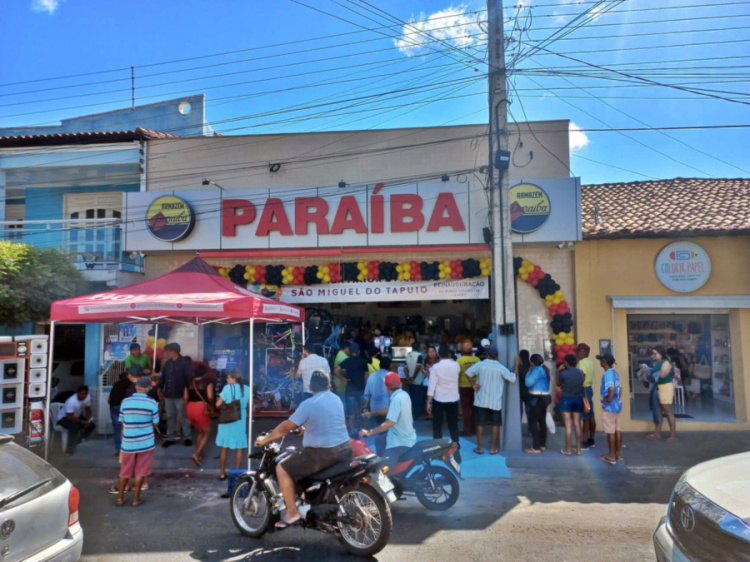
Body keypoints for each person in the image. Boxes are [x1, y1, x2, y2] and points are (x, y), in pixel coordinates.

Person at [255, 370, 352, 530]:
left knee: (282, 467)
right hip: (345, 448)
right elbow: (327, 422)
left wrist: (265, 439)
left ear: (310, 386)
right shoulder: (336, 399)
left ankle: (292, 512)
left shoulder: (309, 404)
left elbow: (286, 426)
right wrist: (306, 428)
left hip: (323, 454)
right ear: (329, 385)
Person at [115, 376, 159, 507]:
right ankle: (136, 499)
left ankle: (120, 498)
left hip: (128, 442)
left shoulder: (125, 402)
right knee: (140, 471)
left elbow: (122, 421)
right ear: (147, 388)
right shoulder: (152, 403)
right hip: (146, 443)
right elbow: (155, 423)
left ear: (136, 386)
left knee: (124, 470)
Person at [466, 345, 516, 455]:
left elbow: (468, 373)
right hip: (495, 402)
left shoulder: (480, 365)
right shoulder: (501, 368)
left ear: (487, 355)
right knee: (495, 424)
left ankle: (480, 448)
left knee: (480, 424)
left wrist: (473, 384)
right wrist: (516, 365)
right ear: (497, 356)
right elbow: (512, 379)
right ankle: (493, 448)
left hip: (481, 400)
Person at [360, 371, 417, 465]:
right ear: (401, 384)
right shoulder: (403, 395)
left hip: (400, 442)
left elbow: (389, 423)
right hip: (406, 435)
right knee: (379, 440)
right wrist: (372, 413)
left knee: (384, 471)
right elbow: (390, 409)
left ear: (386, 387)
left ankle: (387, 473)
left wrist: (369, 432)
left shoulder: (396, 399)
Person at [426, 345, 461, 463]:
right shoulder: (456, 365)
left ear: (438, 355)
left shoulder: (435, 368)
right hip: (453, 399)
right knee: (453, 426)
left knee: (437, 426)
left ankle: (438, 451)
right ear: (449, 354)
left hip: (439, 399)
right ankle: (456, 451)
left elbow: (432, 386)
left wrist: (428, 401)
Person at [215, 371, 251, 480]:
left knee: (224, 448)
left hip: (227, 419)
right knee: (239, 448)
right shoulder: (247, 388)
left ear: (234, 378)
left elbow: (218, 404)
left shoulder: (227, 388)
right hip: (240, 418)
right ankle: (236, 474)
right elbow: (250, 404)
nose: (227, 380)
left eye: (228, 378)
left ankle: (222, 473)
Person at [158, 342, 194, 448]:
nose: (165, 353)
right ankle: (170, 438)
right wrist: (160, 388)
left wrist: (187, 392)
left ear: (173, 351)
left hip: (181, 395)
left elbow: (190, 379)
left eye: (167, 351)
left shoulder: (185, 362)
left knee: (184, 417)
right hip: (169, 394)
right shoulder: (168, 363)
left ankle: (187, 437)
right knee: (170, 417)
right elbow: (163, 377)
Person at [184, 365, 215, 466]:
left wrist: (185, 408)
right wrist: (212, 405)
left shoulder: (188, 382)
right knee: (207, 432)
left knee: (200, 431)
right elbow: (210, 396)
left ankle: (200, 453)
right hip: (201, 408)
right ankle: (197, 454)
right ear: (204, 373)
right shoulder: (207, 383)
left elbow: (185, 397)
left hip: (190, 407)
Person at [334, 342, 368, 432]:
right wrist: (364, 385)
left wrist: (343, 379)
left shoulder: (347, 361)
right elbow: (366, 375)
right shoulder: (363, 361)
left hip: (350, 390)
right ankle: (363, 430)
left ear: (350, 351)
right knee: (363, 411)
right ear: (359, 351)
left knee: (351, 413)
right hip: (361, 389)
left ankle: (352, 431)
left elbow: (336, 370)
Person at [646, 345, 677, 443]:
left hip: (665, 387)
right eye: (653, 353)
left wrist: (649, 371)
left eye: (655, 353)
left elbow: (663, 374)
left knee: (668, 411)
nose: (653, 355)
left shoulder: (666, 362)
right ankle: (657, 433)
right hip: (656, 387)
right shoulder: (654, 363)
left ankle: (672, 435)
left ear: (661, 353)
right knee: (657, 410)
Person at [363, 356, 392, 455]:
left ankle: (379, 454)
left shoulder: (371, 376)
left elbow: (366, 394)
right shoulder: (390, 376)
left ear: (379, 365)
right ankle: (386, 454)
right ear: (390, 366)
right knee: (386, 433)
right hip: (386, 409)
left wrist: (365, 409)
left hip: (374, 410)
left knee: (377, 432)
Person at [557, 354, 585, 456]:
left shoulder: (563, 373)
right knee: (577, 424)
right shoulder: (581, 372)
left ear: (566, 362)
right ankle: (578, 450)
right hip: (578, 399)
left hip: (566, 399)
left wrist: (558, 371)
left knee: (568, 425)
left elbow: (558, 384)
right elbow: (582, 382)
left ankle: (568, 450)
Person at [597, 353, 623, 465]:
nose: (599, 362)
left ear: (604, 362)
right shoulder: (614, 372)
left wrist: (608, 400)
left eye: (600, 360)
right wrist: (616, 399)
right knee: (617, 430)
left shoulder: (607, 374)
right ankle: (618, 454)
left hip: (610, 407)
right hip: (617, 405)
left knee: (610, 432)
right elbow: (620, 389)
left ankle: (611, 456)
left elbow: (611, 389)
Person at [56, 385, 95, 456]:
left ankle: (78, 440)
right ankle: (69, 449)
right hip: (64, 418)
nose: (84, 396)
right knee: (74, 427)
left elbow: (88, 408)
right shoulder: (71, 401)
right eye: (82, 394)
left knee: (91, 425)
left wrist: (88, 420)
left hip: (76, 416)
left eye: (85, 393)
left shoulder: (87, 397)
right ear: (78, 393)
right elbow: (70, 417)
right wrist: (82, 421)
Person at [524, 354, 551, 455]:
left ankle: (536, 447)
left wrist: (528, 372)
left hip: (537, 398)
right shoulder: (544, 369)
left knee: (532, 422)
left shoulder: (535, 370)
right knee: (542, 421)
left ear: (532, 362)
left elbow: (528, 383)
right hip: (545, 397)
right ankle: (542, 444)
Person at [108, 369, 136, 456]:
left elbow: (109, 400)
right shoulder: (132, 385)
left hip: (114, 407)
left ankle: (119, 451)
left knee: (117, 429)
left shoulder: (116, 384)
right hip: (125, 408)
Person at [456, 340, 480, 436]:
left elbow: (457, 374)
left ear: (462, 350)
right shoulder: (477, 360)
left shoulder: (459, 360)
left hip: (463, 387)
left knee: (465, 409)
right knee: (474, 408)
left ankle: (467, 429)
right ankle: (474, 428)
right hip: (475, 387)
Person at [576, 343, 596, 449]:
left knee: (585, 416)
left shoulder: (582, 363)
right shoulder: (590, 362)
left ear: (583, 352)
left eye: (578, 351)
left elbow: (581, 378)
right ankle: (591, 438)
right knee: (591, 415)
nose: (576, 353)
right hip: (589, 389)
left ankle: (584, 440)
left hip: (583, 390)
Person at [405, 348, 426, 420]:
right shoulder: (419, 356)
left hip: (411, 382)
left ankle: (412, 414)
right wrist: (414, 377)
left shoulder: (408, 356)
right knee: (418, 398)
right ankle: (417, 415)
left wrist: (409, 378)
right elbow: (418, 367)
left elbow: (405, 368)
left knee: (412, 398)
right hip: (418, 381)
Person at [515, 350, 531, 428]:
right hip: (529, 391)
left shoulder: (520, 366)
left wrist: (517, 365)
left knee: (519, 411)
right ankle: (530, 429)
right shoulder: (531, 366)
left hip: (520, 391)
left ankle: (518, 428)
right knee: (529, 411)